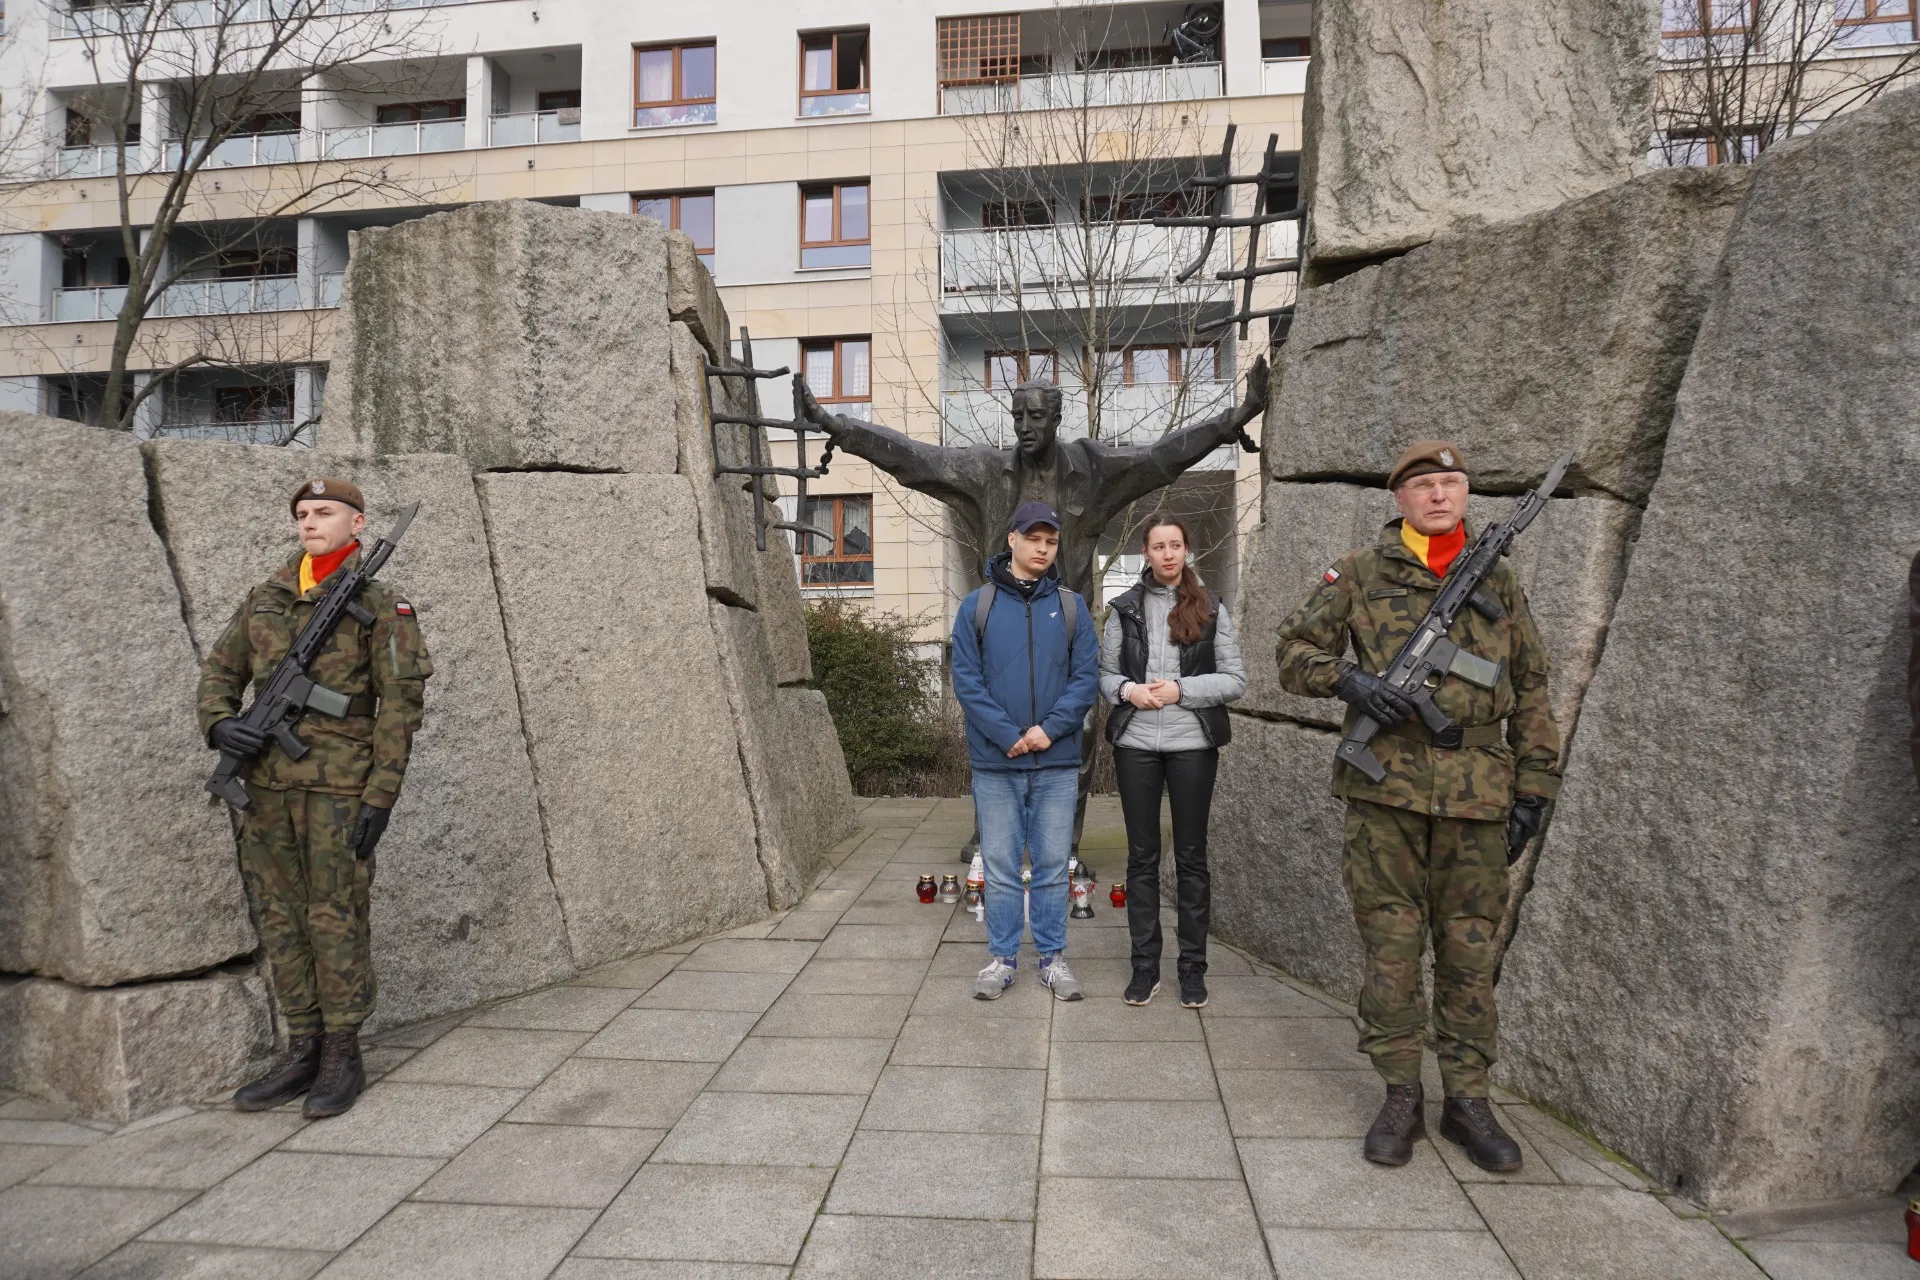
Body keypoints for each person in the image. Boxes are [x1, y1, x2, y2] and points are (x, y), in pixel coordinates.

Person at [1275, 442, 1560, 1174]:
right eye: (1425, 485)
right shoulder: (1360, 572)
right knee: (1392, 954)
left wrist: (1534, 790)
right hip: (1386, 798)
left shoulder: (1500, 578)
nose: (1440, 496)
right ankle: (1401, 1094)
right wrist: (1349, 684)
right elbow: (1292, 652)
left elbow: (1530, 689)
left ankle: (1468, 1099)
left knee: (1468, 951)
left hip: (1478, 799)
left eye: (1452, 484)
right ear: (1400, 497)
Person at [198, 477, 432, 1118]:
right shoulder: (265, 598)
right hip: (265, 787)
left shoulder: (383, 604)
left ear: (356, 525)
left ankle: (341, 1053)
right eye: (302, 513)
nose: (310, 521)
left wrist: (380, 796)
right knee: (281, 916)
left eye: (324, 512)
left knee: (334, 916)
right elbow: (221, 669)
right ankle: (301, 1046)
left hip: (338, 788)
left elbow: (399, 707)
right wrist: (221, 723)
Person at [951, 501, 1100, 1001]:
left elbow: (1085, 681)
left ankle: (1053, 959)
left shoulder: (1073, 607)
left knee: (1056, 865)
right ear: (1011, 539)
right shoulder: (977, 606)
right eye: (1033, 538)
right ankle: (1003, 958)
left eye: (1051, 541)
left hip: (1056, 762)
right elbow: (966, 682)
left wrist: (1047, 731)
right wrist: (1008, 734)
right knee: (998, 864)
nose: (1042, 548)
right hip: (997, 762)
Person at [1099, 515, 1245, 1010]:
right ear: (1145, 551)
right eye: (1159, 546)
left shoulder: (1211, 607)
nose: (1167, 554)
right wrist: (1127, 691)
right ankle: (1145, 967)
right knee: (1141, 858)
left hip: (1192, 746)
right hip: (1136, 743)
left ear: (1186, 551)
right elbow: (1104, 675)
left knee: (1190, 857)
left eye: (1176, 545)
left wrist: (1183, 690)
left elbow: (1234, 680)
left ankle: (1192, 968)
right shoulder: (1122, 609)